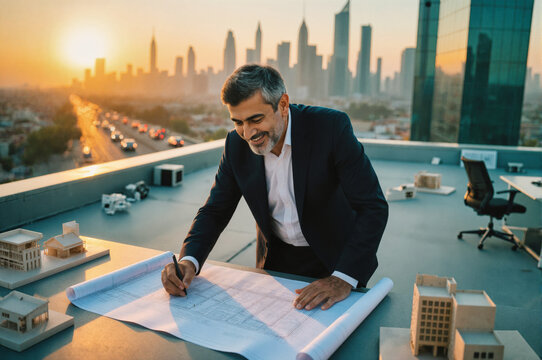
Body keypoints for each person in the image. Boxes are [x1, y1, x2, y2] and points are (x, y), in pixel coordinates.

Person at [162, 64, 388, 311]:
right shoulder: (235, 145)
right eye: (238, 122)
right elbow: (215, 211)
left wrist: (343, 278)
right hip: (275, 263)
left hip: (335, 261)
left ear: (283, 104)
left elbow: (372, 207)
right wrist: (188, 261)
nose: (248, 133)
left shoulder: (331, 128)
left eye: (256, 119)